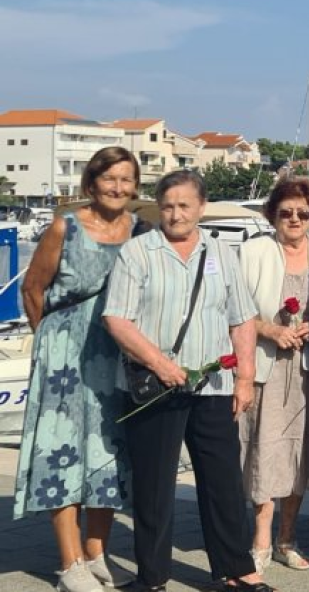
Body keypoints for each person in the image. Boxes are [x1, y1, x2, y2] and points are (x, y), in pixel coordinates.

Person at [102, 169, 271, 592]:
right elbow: (116, 318)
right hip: (156, 387)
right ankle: (153, 575)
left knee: (223, 483)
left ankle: (238, 569)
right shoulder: (138, 252)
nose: (175, 214)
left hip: (213, 386)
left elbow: (242, 319)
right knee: (154, 485)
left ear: (201, 207)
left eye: (184, 205)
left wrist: (245, 377)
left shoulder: (220, 253)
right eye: (168, 205)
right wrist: (160, 363)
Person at [15, 146, 140, 592]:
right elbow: (33, 289)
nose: (118, 188)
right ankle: (70, 565)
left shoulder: (139, 231)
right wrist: (49, 344)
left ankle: (96, 555)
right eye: (110, 179)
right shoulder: (64, 228)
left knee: (108, 452)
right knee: (62, 452)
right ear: (91, 183)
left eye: (126, 180)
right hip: (65, 356)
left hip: (116, 355)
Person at [238, 179, 309, 574]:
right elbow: (237, 308)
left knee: (301, 454)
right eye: (286, 212)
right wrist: (271, 330)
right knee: (265, 450)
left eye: (303, 213)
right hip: (266, 365)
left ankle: (287, 538)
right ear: (272, 214)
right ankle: (260, 539)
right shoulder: (255, 250)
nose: (295, 219)